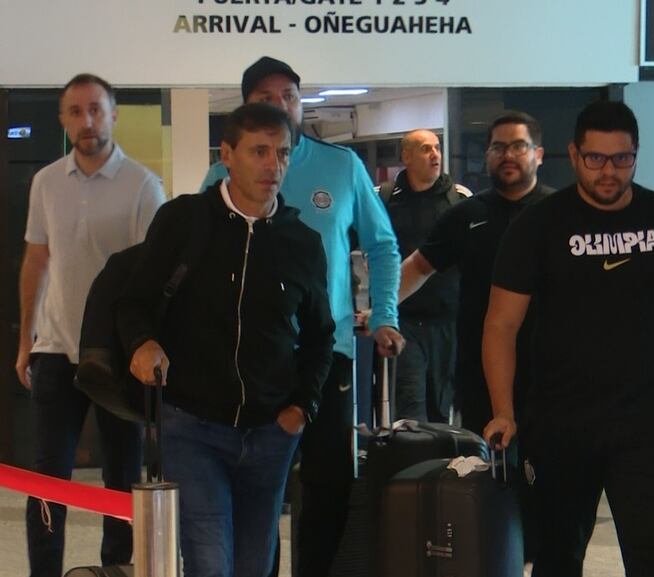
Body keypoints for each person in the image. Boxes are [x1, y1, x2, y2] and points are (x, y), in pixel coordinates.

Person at [483, 101, 654, 577]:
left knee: (652, 557)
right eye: (596, 159)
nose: (609, 171)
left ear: (636, 154)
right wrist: (503, 410)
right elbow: (500, 325)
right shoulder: (539, 225)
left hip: (645, 420)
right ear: (574, 155)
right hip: (559, 423)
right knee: (557, 558)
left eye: (622, 158)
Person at [200, 56, 404, 577]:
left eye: (289, 96)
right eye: (266, 98)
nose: (282, 106)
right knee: (255, 488)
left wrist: (385, 315)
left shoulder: (342, 166)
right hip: (250, 359)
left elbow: (382, 246)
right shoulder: (222, 174)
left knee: (328, 485)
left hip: (327, 354)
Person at [117, 103, 335, 577]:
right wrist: (142, 343)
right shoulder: (184, 220)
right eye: (259, 151)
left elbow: (321, 336)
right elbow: (133, 301)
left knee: (254, 564)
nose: (272, 165)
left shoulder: (302, 242)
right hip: (191, 424)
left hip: (271, 431)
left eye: (282, 153)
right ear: (227, 155)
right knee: (210, 560)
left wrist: (303, 407)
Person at [14, 73, 166, 577]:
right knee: (46, 479)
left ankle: (116, 569)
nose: (87, 121)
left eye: (96, 109)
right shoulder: (46, 182)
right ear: (63, 120)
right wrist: (26, 341)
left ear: (114, 115)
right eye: (76, 111)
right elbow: (37, 260)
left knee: (121, 476)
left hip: (118, 355)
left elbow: (154, 278)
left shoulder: (143, 185)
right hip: (55, 349)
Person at [398, 112, 552, 435]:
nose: (507, 155)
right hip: (480, 373)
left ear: (538, 154)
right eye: (498, 148)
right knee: (484, 463)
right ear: (487, 156)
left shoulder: (560, 213)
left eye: (518, 146)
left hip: (550, 371)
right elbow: (419, 266)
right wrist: (381, 311)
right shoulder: (466, 215)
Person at [379, 129, 471, 422]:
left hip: (448, 322)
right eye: (425, 149)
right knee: (411, 410)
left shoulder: (459, 199)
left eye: (437, 148)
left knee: (442, 412)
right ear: (406, 156)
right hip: (405, 320)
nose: (434, 155)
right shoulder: (385, 199)